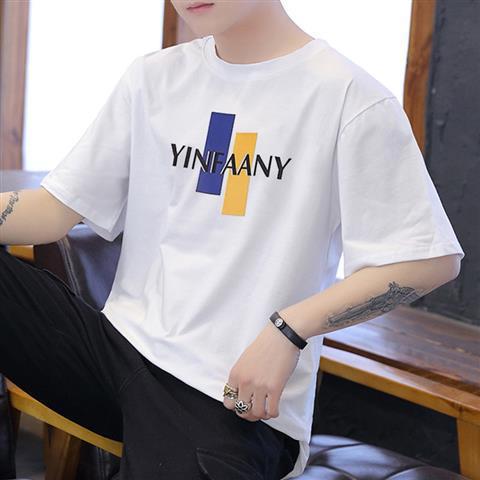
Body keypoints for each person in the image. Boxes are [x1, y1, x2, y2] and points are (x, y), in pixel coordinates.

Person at [0, 1, 465, 478]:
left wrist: (290, 328)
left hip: (227, 398)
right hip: (116, 351)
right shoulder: (154, 78)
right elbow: (52, 212)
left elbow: (428, 261)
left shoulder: (348, 97)